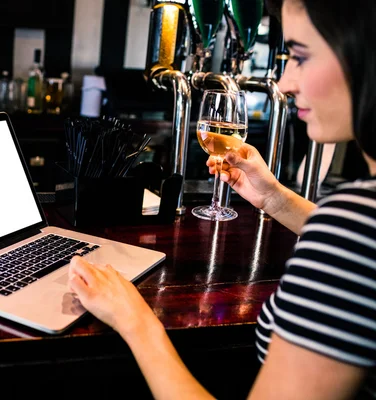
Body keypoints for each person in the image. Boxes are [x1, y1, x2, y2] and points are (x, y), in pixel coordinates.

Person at [68, 0, 376, 398]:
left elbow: (353, 240)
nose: (284, 84)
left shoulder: (352, 226)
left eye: (300, 57)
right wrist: (276, 199)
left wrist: (134, 319)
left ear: (364, 55)